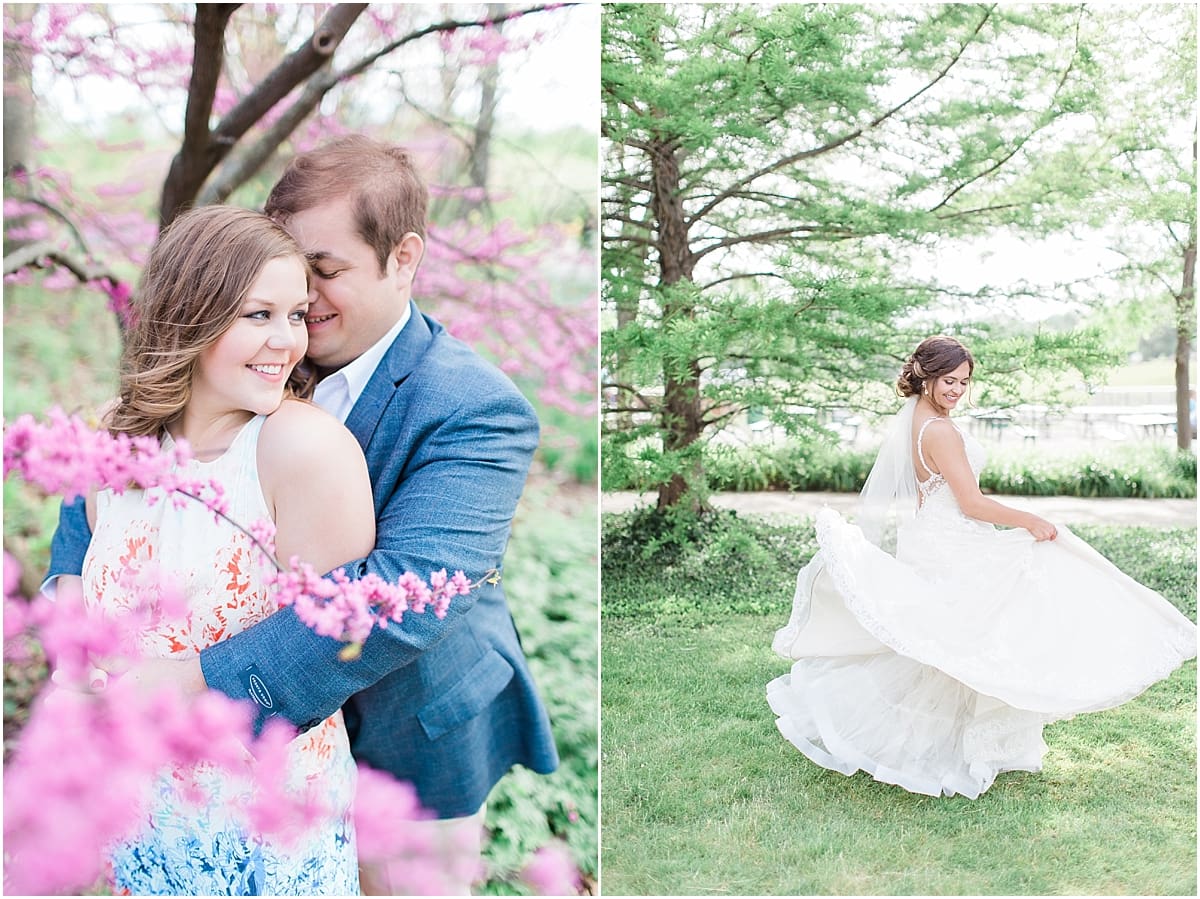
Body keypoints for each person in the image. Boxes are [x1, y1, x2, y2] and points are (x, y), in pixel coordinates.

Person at [47, 136, 560, 894]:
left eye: (326, 272)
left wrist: (179, 683)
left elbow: (403, 598)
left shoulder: (472, 406)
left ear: (404, 258)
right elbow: (102, 497)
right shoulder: (255, 349)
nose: (303, 310)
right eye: (284, 284)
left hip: (407, 722)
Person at [57, 205, 375, 893]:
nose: (286, 341)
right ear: (190, 313)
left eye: (296, 315)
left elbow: (339, 645)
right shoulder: (116, 439)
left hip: (263, 828)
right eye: (258, 314)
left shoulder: (304, 449)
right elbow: (85, 578)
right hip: (139, 809)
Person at [768, 335, 1197, 799]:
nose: (956, 389)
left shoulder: (917, 418)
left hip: (930, 536)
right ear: (926, 376)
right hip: (953, 539)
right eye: (948, 380)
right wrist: (1029, 520)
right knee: (988, 624)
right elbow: (970, 503)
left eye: (964, 382)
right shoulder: (941, 431)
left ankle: (962, 741)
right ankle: (965, 739)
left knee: (948, 640)